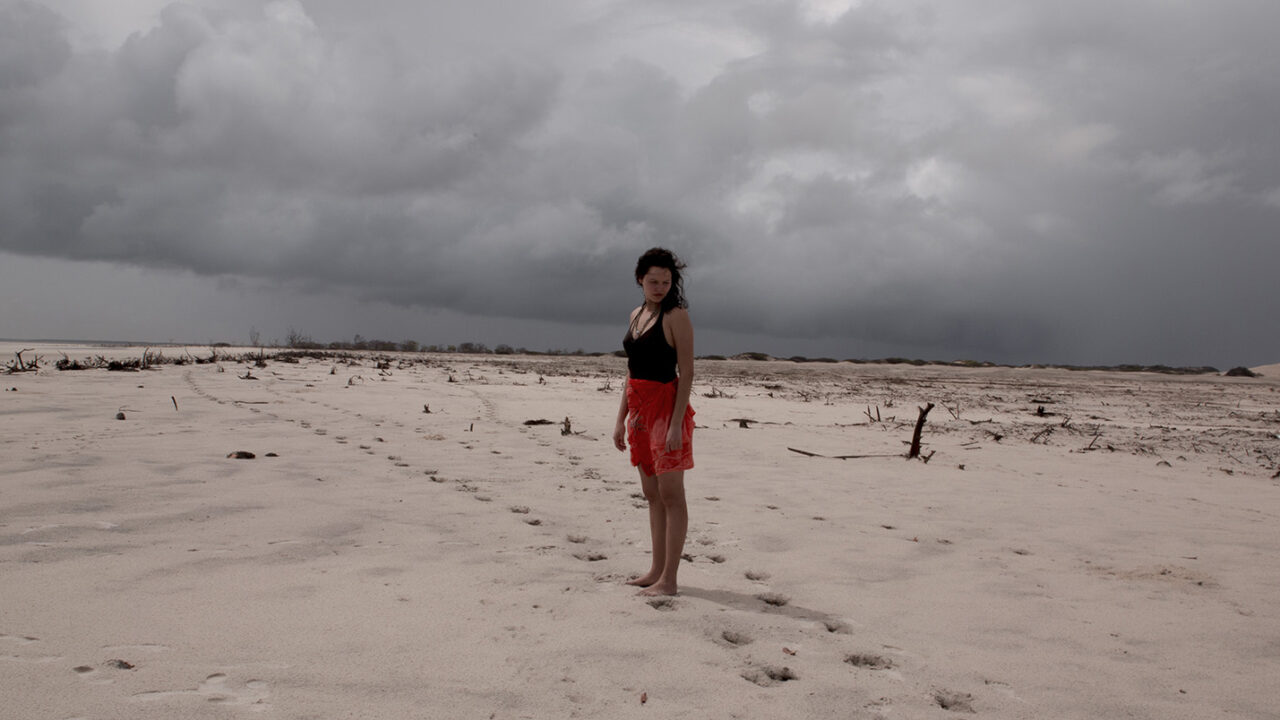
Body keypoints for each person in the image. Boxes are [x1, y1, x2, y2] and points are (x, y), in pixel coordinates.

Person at [613, 247, 695, 597]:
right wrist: (620, 419)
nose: (660, 287)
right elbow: (630, 372)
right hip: (639, 412)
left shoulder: (676, 316)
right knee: (652, 495)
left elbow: (687, 372)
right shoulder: (636, 314)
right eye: (653, 281)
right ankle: (655, 570)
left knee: (671, 494)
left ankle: (669, 580)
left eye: (666, 281)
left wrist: (676, 424)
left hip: (666, 408)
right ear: (640, 280)